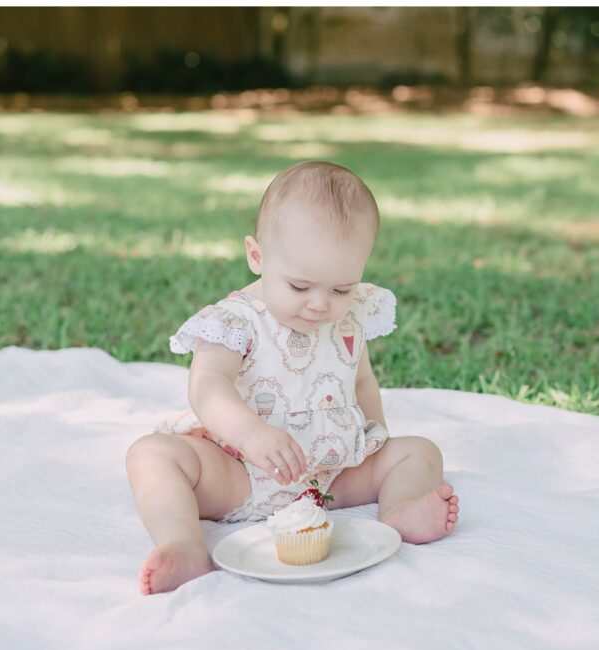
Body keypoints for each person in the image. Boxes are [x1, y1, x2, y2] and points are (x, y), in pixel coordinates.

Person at [125, 161, 459, 595]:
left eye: (341, 288)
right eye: (300, 286)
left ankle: (399, 511)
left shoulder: (350, 316)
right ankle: (184, 545)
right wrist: (252, 434)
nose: (321, 304)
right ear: (257, 257)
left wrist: (373, 439)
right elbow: (208, 386)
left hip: (332, 474)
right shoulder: (236, 321)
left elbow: (361, 383)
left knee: (419, 451)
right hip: (239, 471)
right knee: (151, 455)